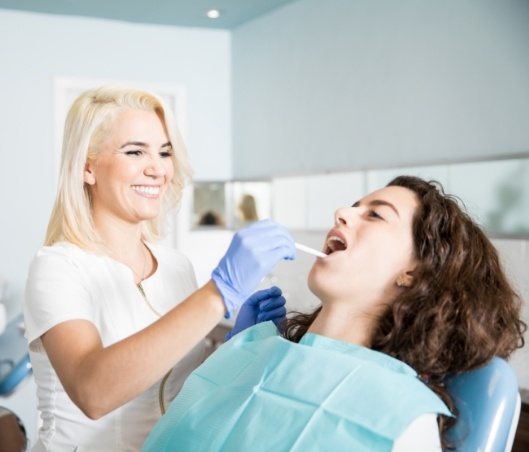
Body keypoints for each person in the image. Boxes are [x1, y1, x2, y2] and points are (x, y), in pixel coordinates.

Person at [144, 175, 526, 451]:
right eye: (353, 206)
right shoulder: (251, 353)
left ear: (414, 272)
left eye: (375, 215)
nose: (341, 212)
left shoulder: (400, 418)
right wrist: (236, 356)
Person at [23, 86, 295, 451]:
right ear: (87, 167)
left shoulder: (175, 267)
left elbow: (180, 388)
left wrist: (233, 348)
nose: (157, 169)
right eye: (135, 151)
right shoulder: (58, 268)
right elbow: (93, 391)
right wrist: (216, 295)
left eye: (165, 153)